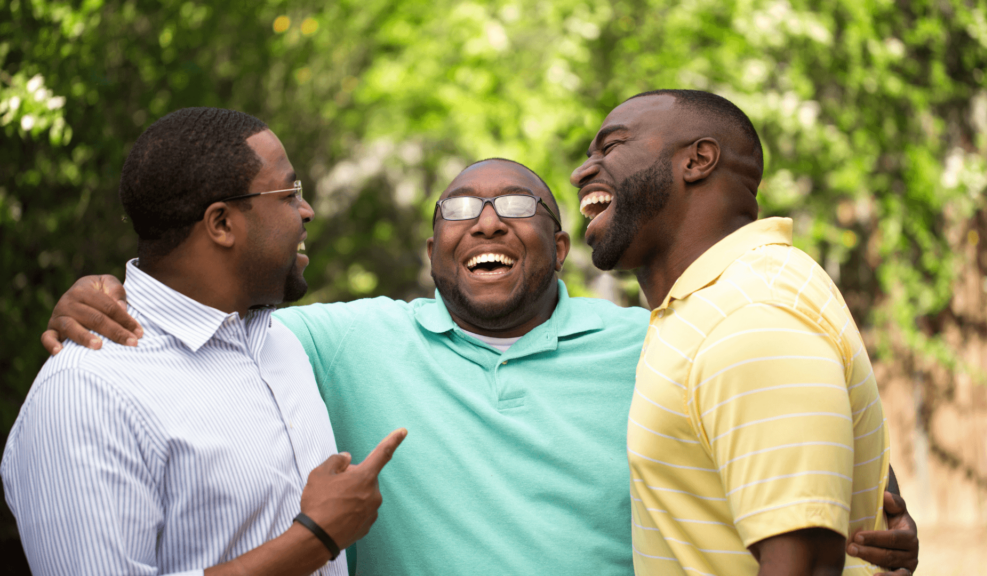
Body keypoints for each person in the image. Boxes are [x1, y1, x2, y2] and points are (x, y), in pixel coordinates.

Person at [38, 157, 918, 575]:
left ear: (564, 247)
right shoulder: (332, 344)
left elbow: (788, 436)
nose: (487, 221)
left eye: (517, 208)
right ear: (433, 247)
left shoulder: (657, 345)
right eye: (462, 207)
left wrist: (874, 519)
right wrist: (102, 295)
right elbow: (205, 328)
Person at [2, 107, 406, 576]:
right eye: (290, 192)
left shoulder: (281, 342)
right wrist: (315, 537)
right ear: (221, 224)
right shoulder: (88, 392)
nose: (307, 209)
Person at [571, 89, 915, 575]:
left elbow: (807, 565)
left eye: (611, 147)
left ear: (698, 159)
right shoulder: (708, 307)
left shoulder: (750, 314)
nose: (582, 171)